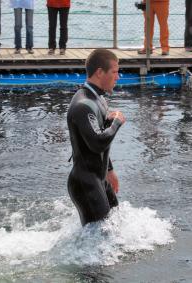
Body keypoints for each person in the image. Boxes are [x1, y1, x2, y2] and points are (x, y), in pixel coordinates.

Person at [67, 49, 126, 226]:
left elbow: (101, 139)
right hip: (85, 183)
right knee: (99, 239)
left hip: (99, 177)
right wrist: (116, 123)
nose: (118, 77)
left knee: (116, 223)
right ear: (100, 72)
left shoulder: (99, 99)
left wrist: (109, 170)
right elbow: (98, 142)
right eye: (114, 72)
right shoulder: (83, 105)